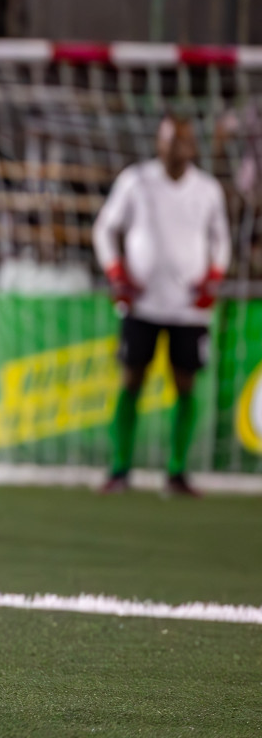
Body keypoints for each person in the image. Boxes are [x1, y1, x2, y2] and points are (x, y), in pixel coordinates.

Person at [92, 115, 230, 496]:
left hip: (189, 307)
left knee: (184, 383)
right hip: (142, 304)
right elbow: (105, 228)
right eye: (169, 140)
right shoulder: (136, 181)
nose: (175, 148)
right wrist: (116, 271)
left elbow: (222, 239)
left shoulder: (208, 190)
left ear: (193, 147)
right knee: (131, 379)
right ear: (158, 143)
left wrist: (214, 276)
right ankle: (119, 469)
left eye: (183, 141)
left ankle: (177, 471)